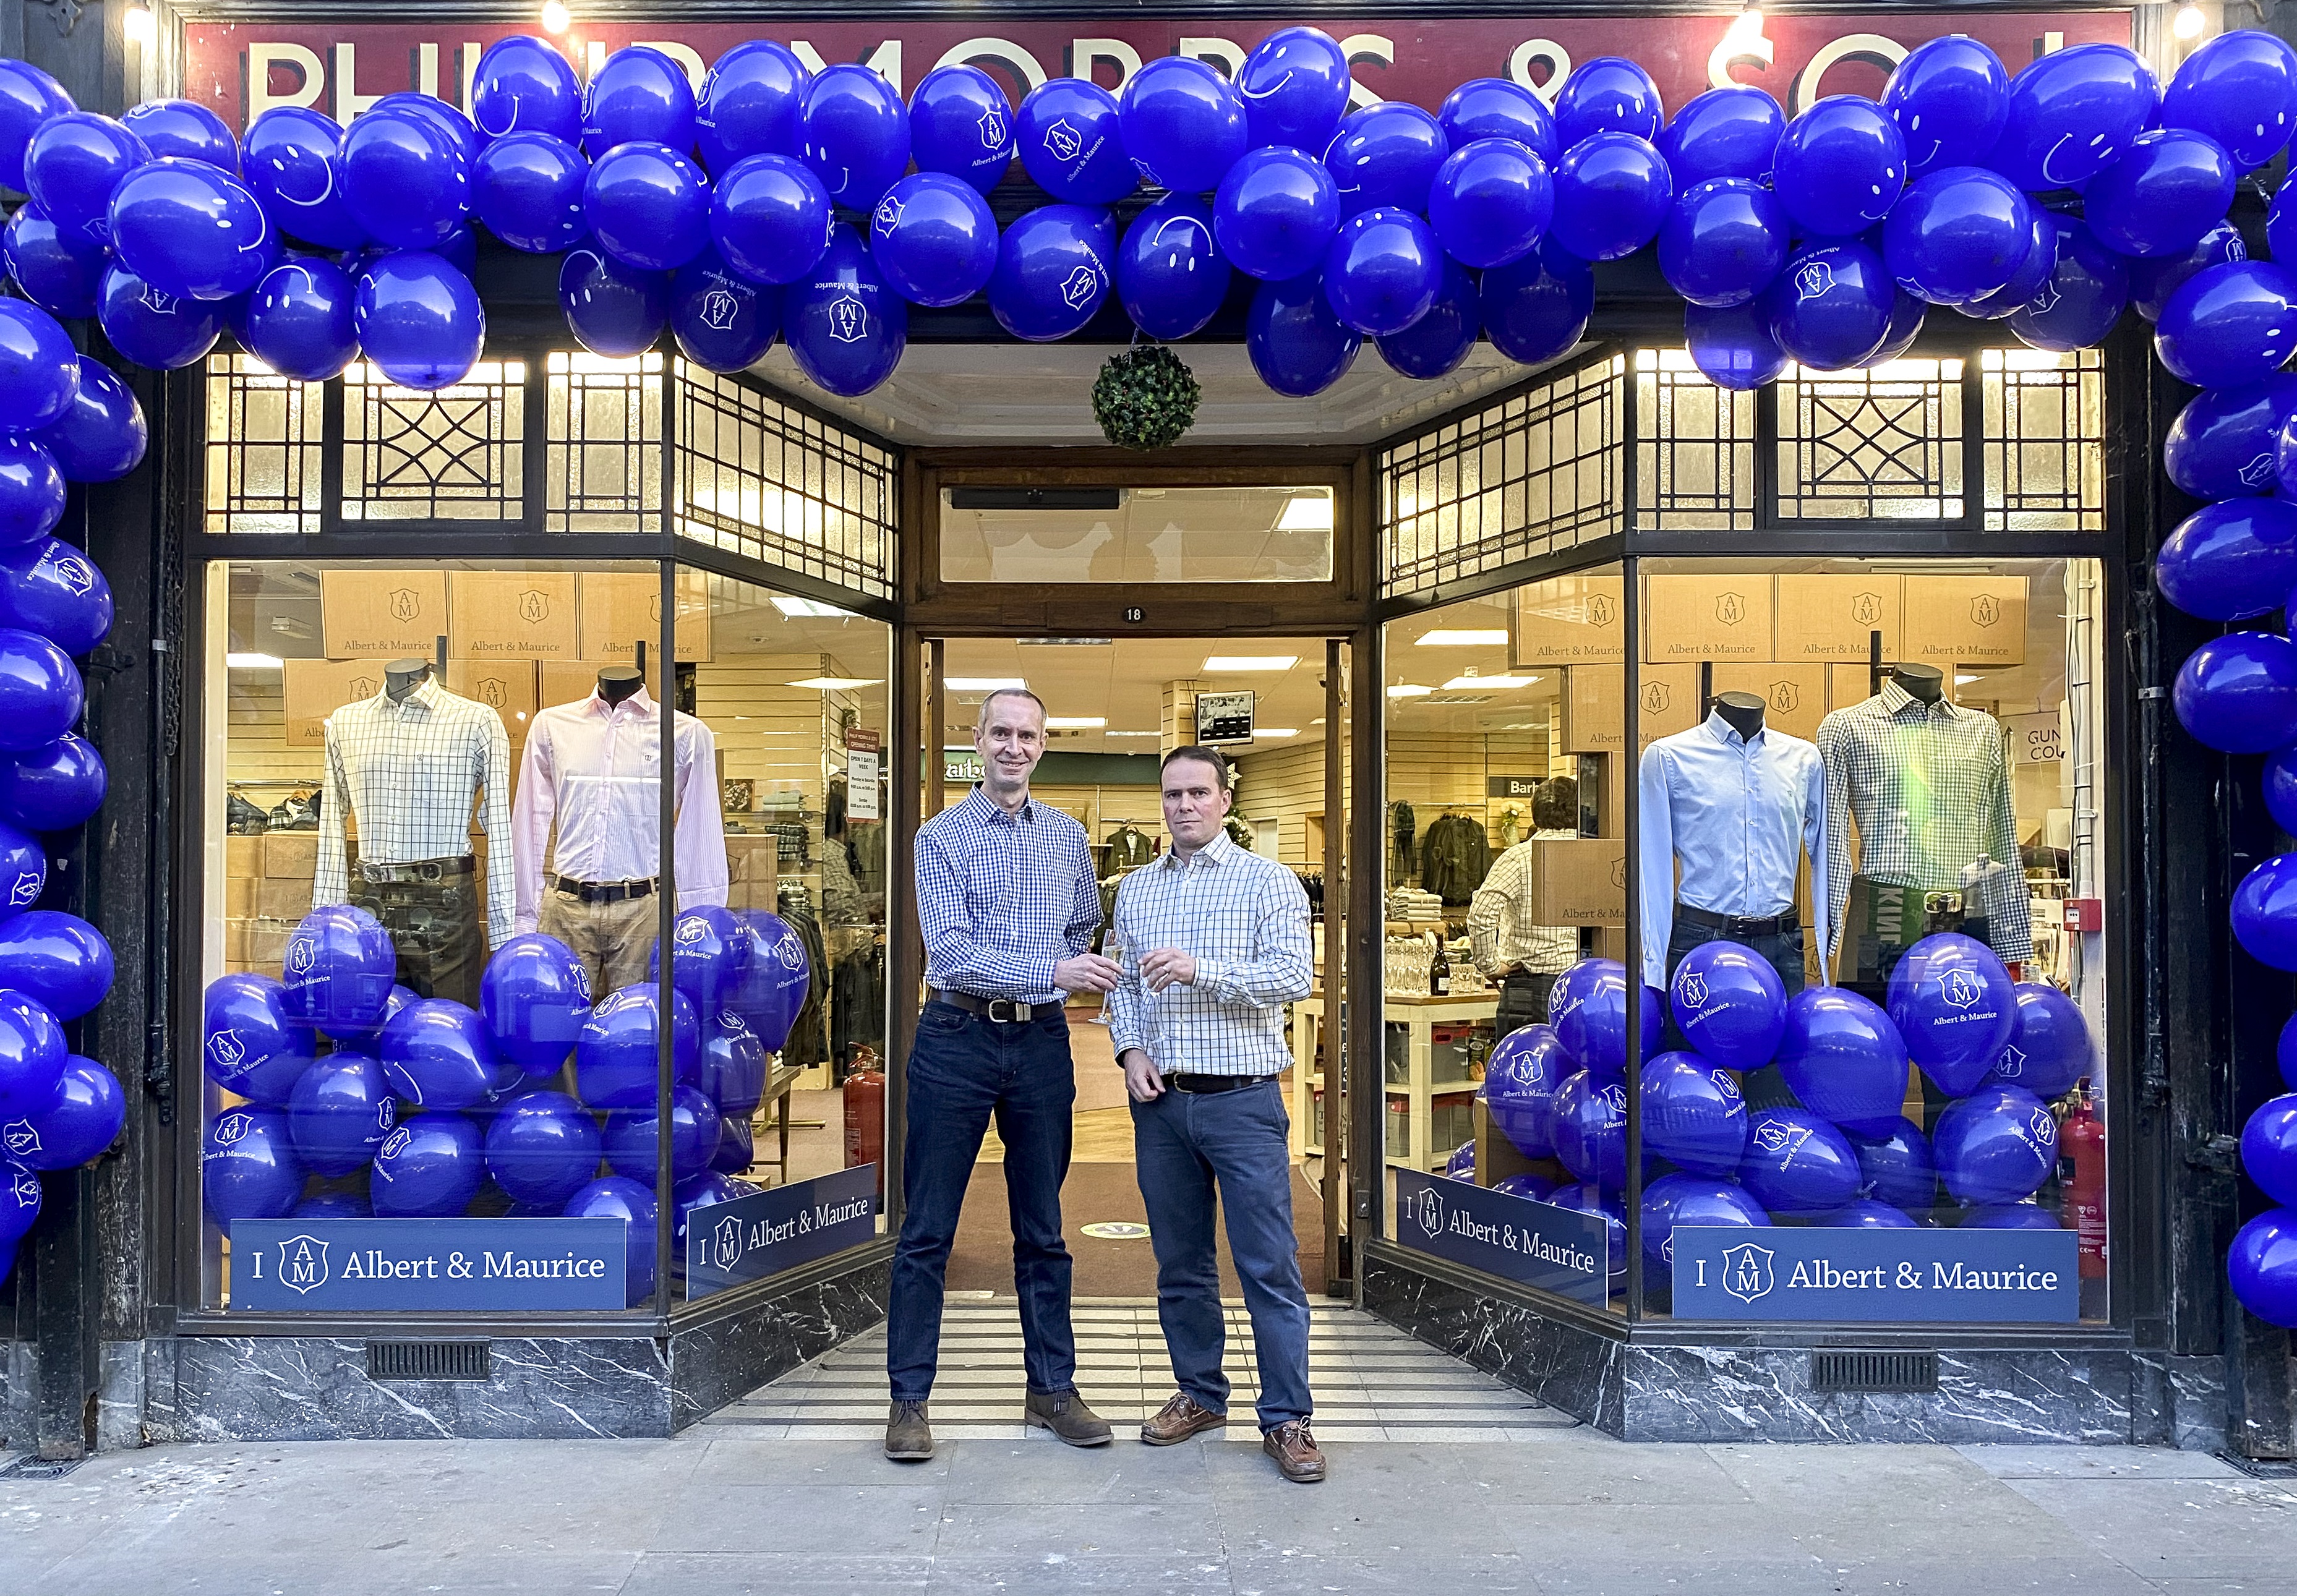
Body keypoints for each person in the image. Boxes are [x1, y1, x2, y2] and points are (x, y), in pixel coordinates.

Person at [884, 688, 1119, 1462]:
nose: (1014, 746)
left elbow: (1085, 919)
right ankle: (909, 1400)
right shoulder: (939, 837)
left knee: (1044, 1229)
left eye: (1028, 734)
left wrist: (1057, 970)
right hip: (956, 1034)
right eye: (1001, 733)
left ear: (1042, 744)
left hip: (1043, 1044)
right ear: (977, 741)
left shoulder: (1066, 837)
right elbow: (949, 953)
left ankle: (1053, 1387)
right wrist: (1048, 966)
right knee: (927, 1229)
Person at [1107, 745, 1324, 1483]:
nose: (1184, 806)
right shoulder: (1134, 890)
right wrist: (1131, 1050)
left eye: (1199, 792)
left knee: (1269, 1263)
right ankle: (1200, 1393)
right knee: (1180, 1264)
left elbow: (1294, 975)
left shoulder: (1270, 883)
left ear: (1225, 800)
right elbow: (1122, 987)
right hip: (1163, 1107)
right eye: (1172, 795)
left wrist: (1204, 970)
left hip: (1244, 1101)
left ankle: (1288, 1417)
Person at [1467, 775, 1582, 1037]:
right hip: (1586, 984)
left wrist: (1490, 966)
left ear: (1536, 812)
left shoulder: (1519, 857)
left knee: (1523, 1072)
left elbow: (1480, 915)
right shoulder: (1594, 853)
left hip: (1530, 986)